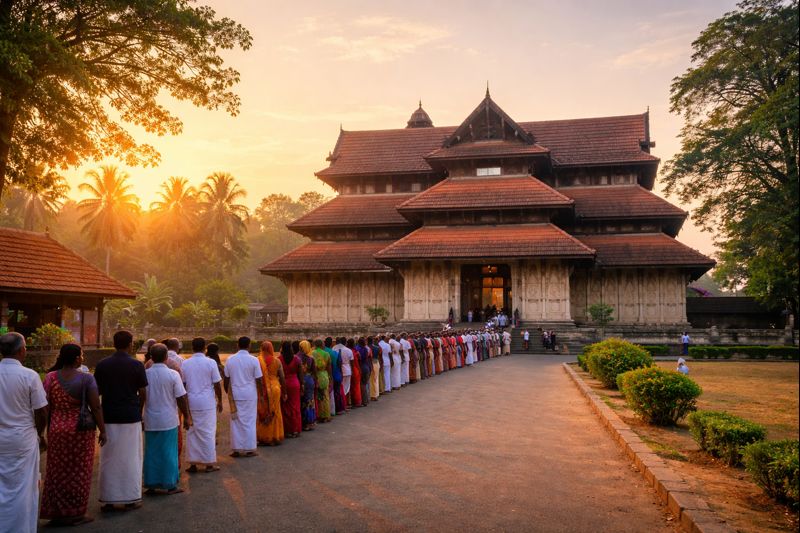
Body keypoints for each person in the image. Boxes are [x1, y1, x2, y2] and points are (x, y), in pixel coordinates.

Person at [40, 343, 105, 526]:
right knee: (79, 472)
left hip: (56, 430)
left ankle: (56, 511)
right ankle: (75, 513)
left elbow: (44, 407)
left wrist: (44, 429)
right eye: (82, 355)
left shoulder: (50, 377)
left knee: (56, 472)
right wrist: (103, 429)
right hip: (80, 432)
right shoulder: (86, 379)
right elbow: (96, 406)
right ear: (77, 358)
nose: (82, 358)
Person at [93, 330, 147, 512]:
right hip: (130, 416)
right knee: (131, 458)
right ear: (130, 344)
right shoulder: (136, 365)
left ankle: (109, 498)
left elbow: (97, 393)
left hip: (109, 415)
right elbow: (143, 393)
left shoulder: (102, 365)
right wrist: (139, 411)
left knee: (109, 458)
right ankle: (130, 496)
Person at [0, 332, 48, 533]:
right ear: (21, 350)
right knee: (23, 487)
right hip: (22, 438)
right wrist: (40, 434)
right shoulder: (29, 375)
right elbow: (41, 410)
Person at [143, 343, 191, 495]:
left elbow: (141, 398)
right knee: (169, 452)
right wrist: (187, 416)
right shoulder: (172, 374)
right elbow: (181, 398)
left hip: (151, 418)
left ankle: (151, 484)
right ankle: (170, 484)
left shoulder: (145, 374)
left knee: (151, 452)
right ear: (165, 357)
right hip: (168, 419)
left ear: (151, 357)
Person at [183, 337, 223, 473]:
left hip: (191, 400)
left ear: (192, 347)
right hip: (207, 401)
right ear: (204, 347)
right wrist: (220, 400)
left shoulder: (185, 363)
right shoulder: (211, 362)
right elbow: (217, 383)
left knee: (192, 432)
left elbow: (183, 385)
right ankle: (208, 463)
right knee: (208, 432)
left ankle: (193, 463)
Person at [224, 336, 264, 458]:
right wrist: (261, 394)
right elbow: (259, 379)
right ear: (249, 345)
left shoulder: (230, 359)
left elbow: (226, 379)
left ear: (237, 345)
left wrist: (228, 392)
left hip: (236, 393)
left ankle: (237, 449)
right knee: (250, 421)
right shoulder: (253, 360)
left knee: (235, 421)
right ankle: (249, 449)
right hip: (250, 394)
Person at [256, 341, 285, 446]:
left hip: (262, 388)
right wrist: (285, 392)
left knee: (263, 410)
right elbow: (282, 377)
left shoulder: (258, 361)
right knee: (275, 411)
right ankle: (274, 436)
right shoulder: (277, 361)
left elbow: (256, 377)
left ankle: (263, 436)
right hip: (275, 388)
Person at [279, 341, 303, 438]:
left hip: (283, 384)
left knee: (285, 408)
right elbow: (300, 374)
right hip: (294, 383)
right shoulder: (297, 359)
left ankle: (287, 430)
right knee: (295, 407)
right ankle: (295, 429)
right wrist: (302, 385)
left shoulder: (279, 359)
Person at [297, 341, 317, 431]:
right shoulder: (310, 358)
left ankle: (302, 422)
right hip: (309, 380)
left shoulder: (296, 357)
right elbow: (314, 372)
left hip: (299, 380)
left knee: (301, 401)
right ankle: (309, 423)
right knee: (309, 401)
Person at [311, 339, 333, 422]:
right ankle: (326, 416)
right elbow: (329, 368)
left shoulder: (312, 353)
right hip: (324, 375)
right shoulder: (326, 354)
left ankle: (319, 415)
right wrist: (330, 378)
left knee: (318, 397)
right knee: (325, 396)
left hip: (316, 376)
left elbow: (312, 367)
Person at [325, 337, 344, 415]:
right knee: (337, 392)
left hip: (325, 375)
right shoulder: (334, 353)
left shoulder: (321, 352)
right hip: (336, 374)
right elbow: (339, 364)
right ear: (332, 343)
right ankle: (338, 409)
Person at [356, 337, 372, 405]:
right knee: (365, 384)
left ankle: (364, 401)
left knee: (362, 385)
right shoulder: (366, 349)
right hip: (366, 367)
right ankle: (367, 399)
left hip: (361, 367)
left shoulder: (358, 349)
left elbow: (359, 359)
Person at [368, 336, 381, 400]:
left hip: (370, 363)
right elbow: (379, 356)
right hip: (376, 362)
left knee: (371, 379)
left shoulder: (367, 348)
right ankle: (375, 394)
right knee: (375, 379)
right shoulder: (377, 347)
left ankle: (373, 395)